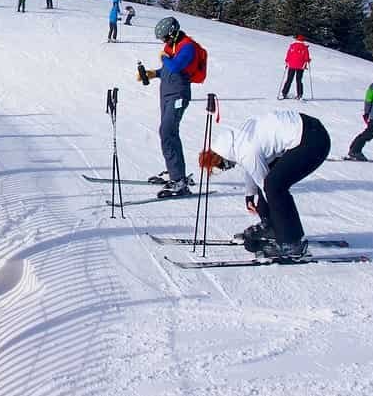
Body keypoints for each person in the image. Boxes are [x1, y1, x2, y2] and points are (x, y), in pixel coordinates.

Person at [200, 109, 330, 261]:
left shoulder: (245, 150)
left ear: (222, 157)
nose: (227, 168)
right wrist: (250, 194)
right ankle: (273, 229)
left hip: (312, 140)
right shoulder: (240, 139)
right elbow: (253, 167)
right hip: (308, 130)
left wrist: (264, 203)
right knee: (271, 181)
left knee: (274, 187)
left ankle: (292, 242)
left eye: (221, 166)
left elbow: (261, 178)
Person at [137, 16, 203, 197]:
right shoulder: (171, 45)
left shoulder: (188, 46)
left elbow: (174, 67)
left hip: (178, 95)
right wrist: (153, 73)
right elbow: (167, 69)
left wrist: (164, 59)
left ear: (173, 33)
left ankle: (179, 181)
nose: (163, 41)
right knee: (168, 132)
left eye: (165, 37)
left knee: (167, 132)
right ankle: (175, 171)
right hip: (166, 94)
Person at [280, 35, 311, 100]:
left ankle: (284, 93)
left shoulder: (292, 46)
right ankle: (299, 94)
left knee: (289, 79)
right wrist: (308, 60)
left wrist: (287, 62)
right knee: (299, 80)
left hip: (291, 65)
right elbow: (306, 57)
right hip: (301, 66)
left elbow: (288, 55)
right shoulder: (304, 47)